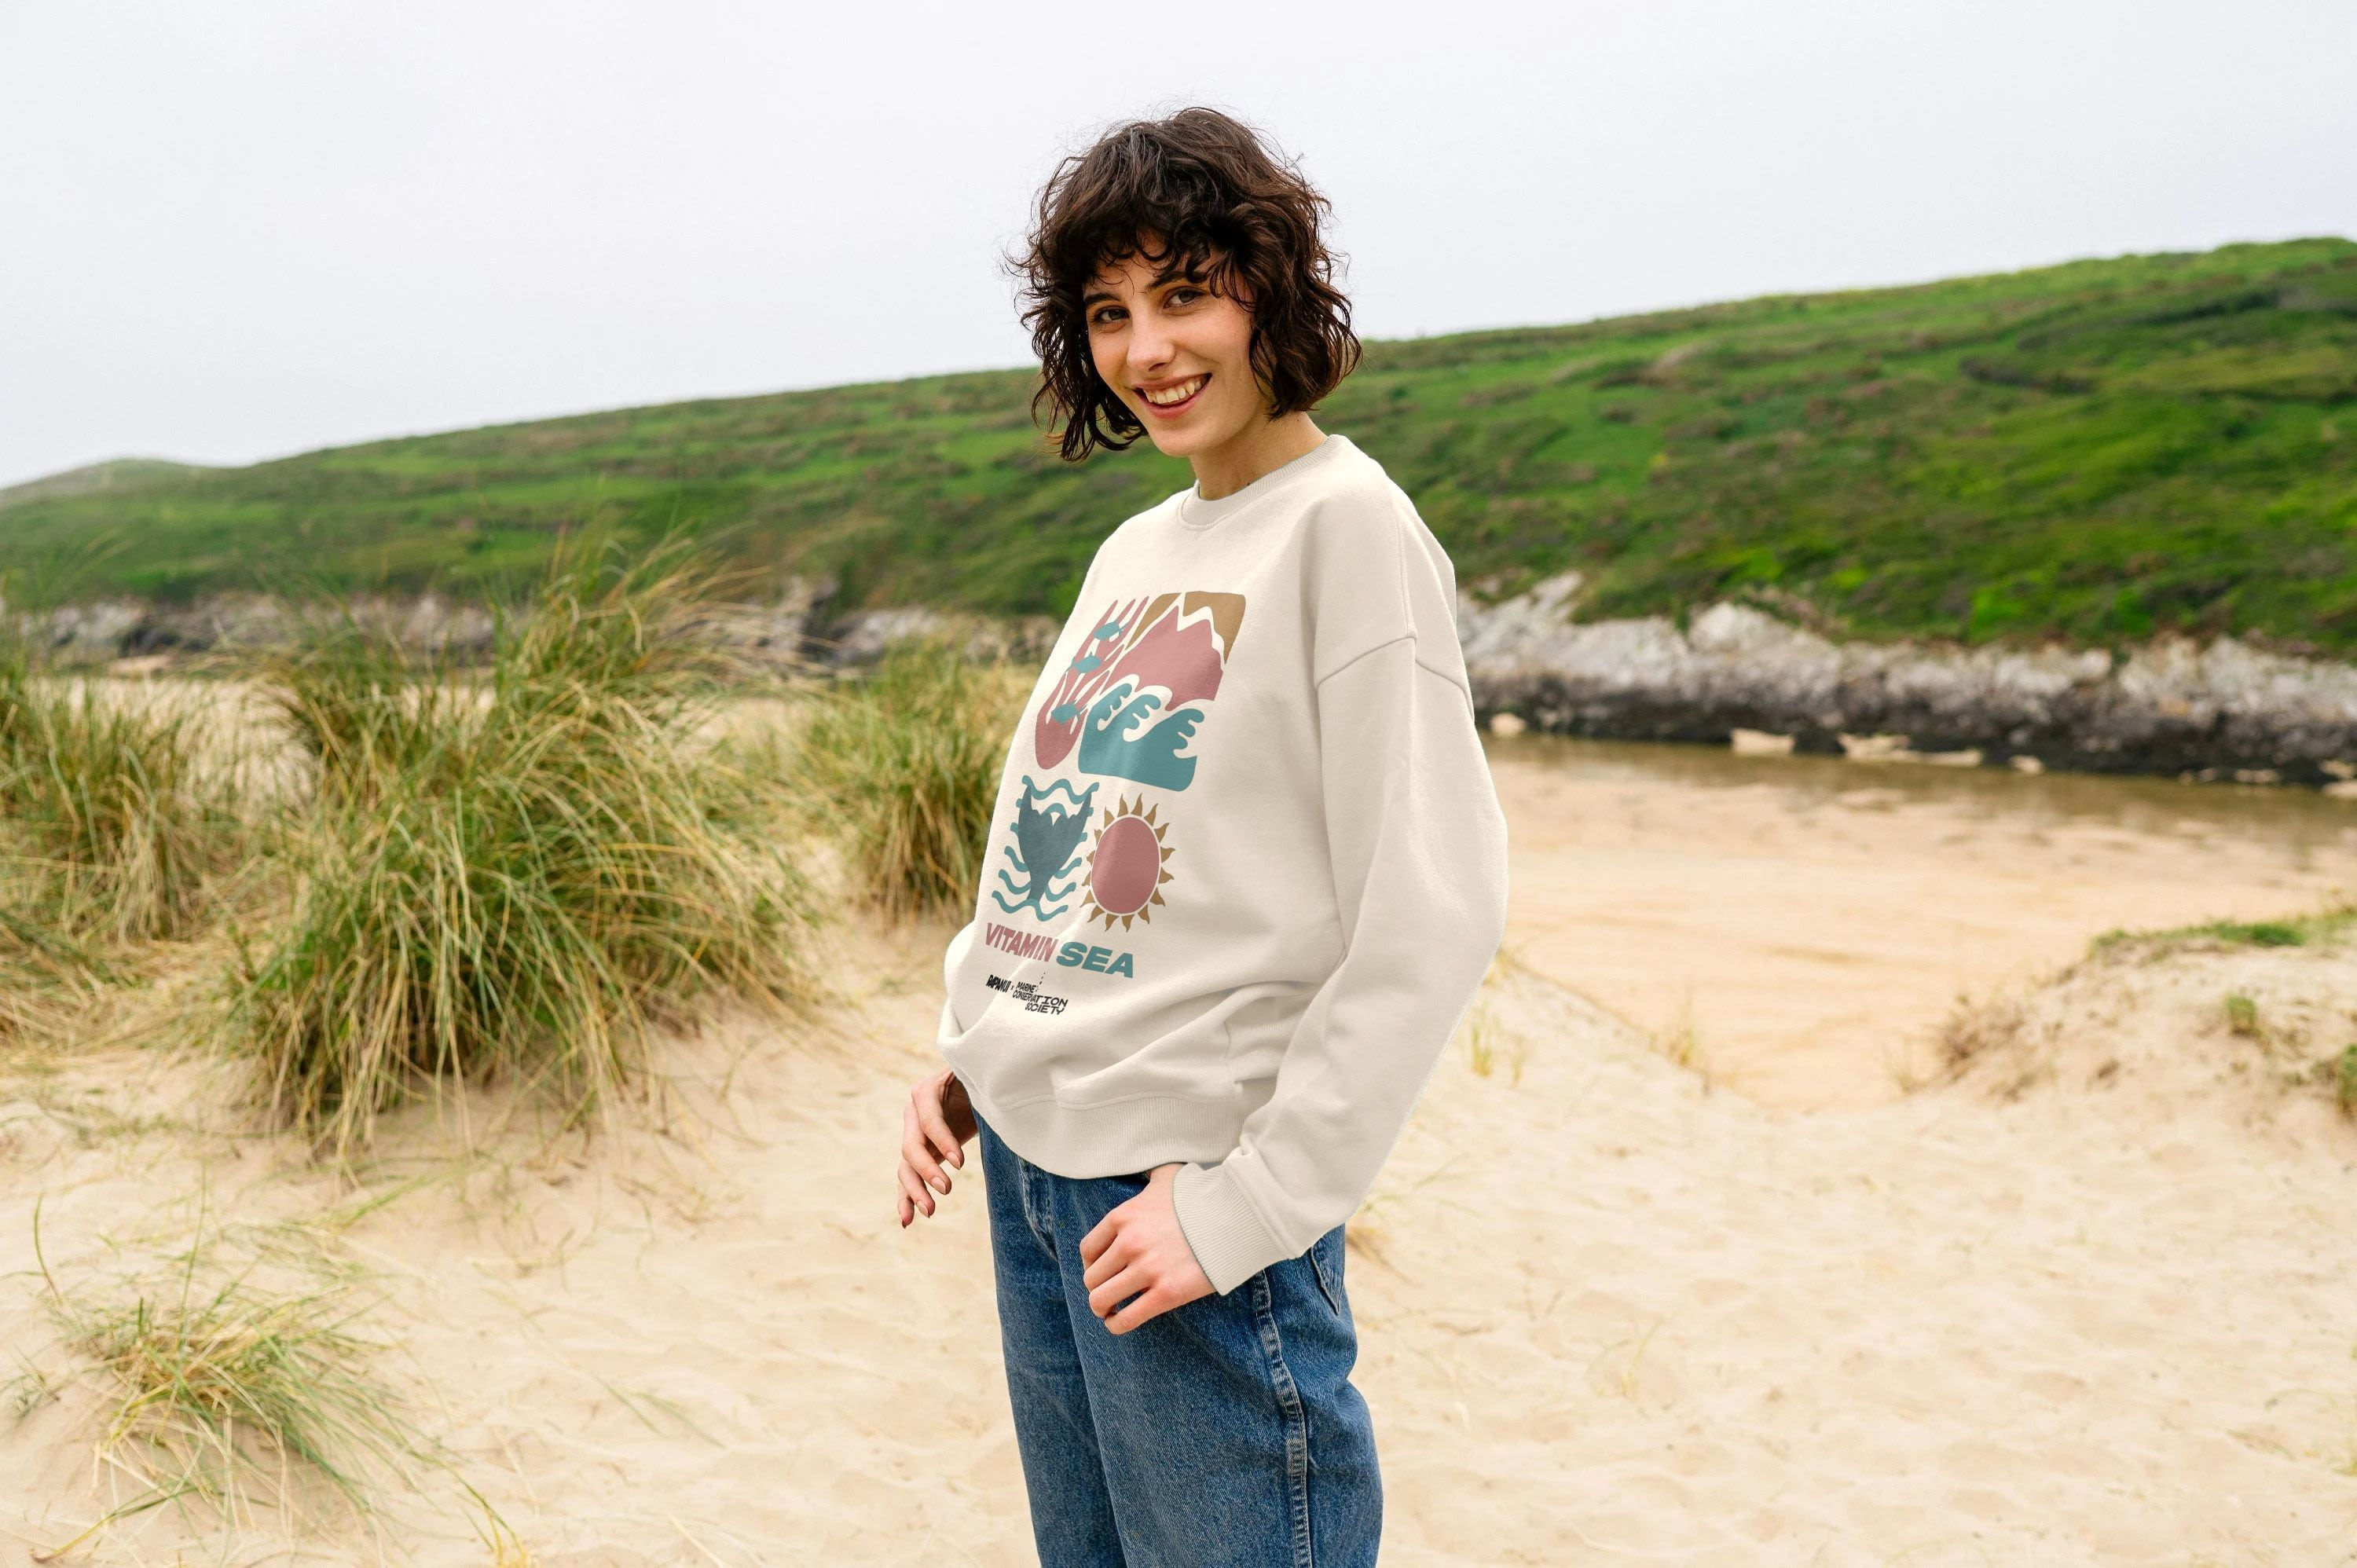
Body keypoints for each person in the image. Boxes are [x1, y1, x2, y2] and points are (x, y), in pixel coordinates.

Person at [894, 104, 1509, 1566]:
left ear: (1270, 286)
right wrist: (975, 1037)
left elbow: (1434, 906)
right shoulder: (1138, 547)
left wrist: (1256, 1205)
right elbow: (1075, 821)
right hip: (1041, 1189)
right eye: (1109, 312)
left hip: (1187, 1199)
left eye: (1185, 293)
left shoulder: (1346, 530)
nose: (1148, 348)